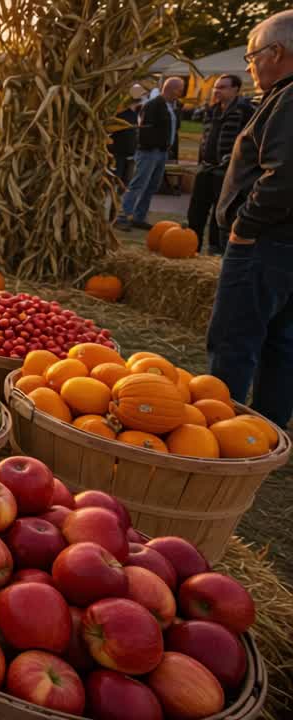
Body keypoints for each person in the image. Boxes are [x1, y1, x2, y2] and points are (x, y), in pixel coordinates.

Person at [206, 10, 293, 427]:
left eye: (252, 55)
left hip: (266, 245)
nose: (250, 65)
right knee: (283, 342)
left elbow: (284, 174)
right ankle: (265, 428)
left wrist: (244, 228)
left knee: (234, 341)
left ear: (277, 52)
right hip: (284, 244)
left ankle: (223, 429)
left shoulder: (289, 98)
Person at [188, 74, 254, 255]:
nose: (217, 91)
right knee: (196, 212)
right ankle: (191, 247)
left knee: (220, 214)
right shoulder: (211, 110)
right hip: (205, 168)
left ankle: (214, 250)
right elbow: (195, 121)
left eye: (222, 87)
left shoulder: (245, 111)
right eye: (216, 87)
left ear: (235, 89)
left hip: (226, 171)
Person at [116, 76, 185, 230]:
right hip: (149, 151)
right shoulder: (154, 105)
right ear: (172, 89)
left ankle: (139, 216)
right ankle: (122, 216)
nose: (181, 92)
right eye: (180, 89)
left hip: (161, 151)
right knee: (139, 184)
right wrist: (152, 145)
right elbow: (144, 129)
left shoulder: (171, 106)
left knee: (152, 186)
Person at [109, 96, 140, 188]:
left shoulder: (133, 114)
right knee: (119, 177)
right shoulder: (120, 113)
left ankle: (119, 197)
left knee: (126, 178)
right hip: (120, 150)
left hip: (129, 150)